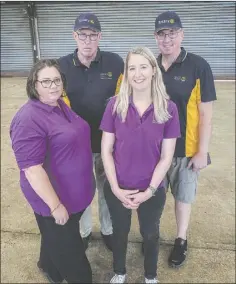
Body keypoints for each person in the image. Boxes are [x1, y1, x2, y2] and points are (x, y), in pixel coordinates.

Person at [100, 46, 181, 284]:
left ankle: (150, 276)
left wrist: (150, 191)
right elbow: (106, 150)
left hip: (151, 188)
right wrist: (115, 188)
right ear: (126, 73)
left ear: (154, 71)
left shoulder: (169, 108)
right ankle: (120, 272)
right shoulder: (115, 105)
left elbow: (167, 157)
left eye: (143, 67)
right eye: (132, 68)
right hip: (118, 186)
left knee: (150, 233)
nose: (138, 73)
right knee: (120, 233)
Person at [10, 59, 95, 283]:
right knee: (76, 262)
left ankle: (48, 266)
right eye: (46, 81)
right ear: (34, 85)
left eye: (57, 80)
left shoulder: (58, 105)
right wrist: (55, 206)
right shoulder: (28, 118)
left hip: (74, 197)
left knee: (55, 239)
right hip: (55, 201)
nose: (53, 86)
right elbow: (31, 169)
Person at [153, 11, 217, 268]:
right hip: (155, 150)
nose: (167, 39)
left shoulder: (198, 66)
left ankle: (181, 239)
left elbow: (206, 114)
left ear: (182, 34)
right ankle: (151, 236)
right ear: (155, 37)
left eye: (172, 33)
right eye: (161, 34)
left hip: (186, 149)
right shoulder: (151, 65)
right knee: (154, 196)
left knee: (183, 196)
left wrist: (202, 151)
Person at [58, 12, 124, 251]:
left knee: (107, 190)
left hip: (108, 143)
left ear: (100, 36)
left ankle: (108, 229)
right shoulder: (61, 66)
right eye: (82, 35)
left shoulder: (116, 63)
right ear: (74, 36)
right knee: (80, 190)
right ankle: (84, 232)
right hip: (76, 147)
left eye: (92, 35)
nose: (87, 40)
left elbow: (127, 97)